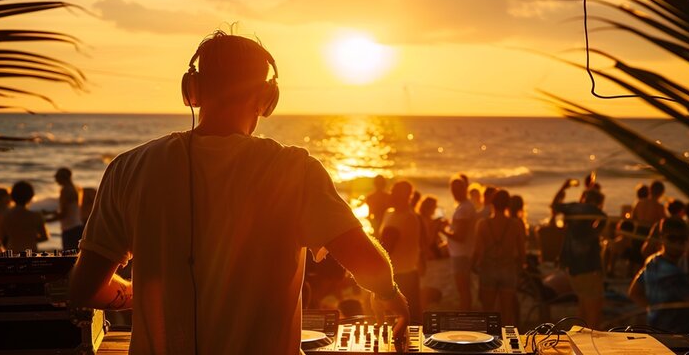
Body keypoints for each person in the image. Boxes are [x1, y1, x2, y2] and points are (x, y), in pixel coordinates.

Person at [68, 32, 409, 355]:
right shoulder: (295, 169)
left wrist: (130, 293)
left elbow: (85, 288)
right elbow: (368, 265)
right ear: (266, 99)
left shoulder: (129, 168)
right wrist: (389, 294)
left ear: (193, 91)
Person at [552, 179, 607, 328]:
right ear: (597, 202)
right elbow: (603, 218)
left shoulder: (573, 208)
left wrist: (564, 186)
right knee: (593, 313)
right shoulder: (594, 210)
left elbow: (555, 205)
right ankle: (590, 346)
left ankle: (579, 342)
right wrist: (596, 232)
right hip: (589, 267)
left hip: (572, 267)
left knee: (583, 307)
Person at [628, 218, 689, 334]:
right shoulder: (673, 273)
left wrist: (652, 310)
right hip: (678, 336)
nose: (677, 243)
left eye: (682, 239)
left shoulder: (652, 262)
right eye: (672, 238)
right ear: (662, 238)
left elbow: (634, 293)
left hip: (656, 331)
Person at [472, 193, 526, 325]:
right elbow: (521, 252)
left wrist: (473, 265)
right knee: (506, 314)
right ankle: (504, 341)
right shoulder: (515, 225)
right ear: (508, 205)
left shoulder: (483, 224)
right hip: (508, 269)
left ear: (492, 204)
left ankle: (489, 341)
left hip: (488, 269)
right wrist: (519, 269)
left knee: (488, 312)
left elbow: (478, 250)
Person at [380, 180, 423, 324]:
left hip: (403, 276)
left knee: (407, 321)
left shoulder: (408, 217)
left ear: (404, 196)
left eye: (394, 192)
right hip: (394, 273)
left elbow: (386, 247)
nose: (390, 194)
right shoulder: (389, 213)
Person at [445, 175, 477, 311]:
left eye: (455, 189)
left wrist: (441, 230)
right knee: (464, 289)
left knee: (463, 290)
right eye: (452, 190)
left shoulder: (464, 209)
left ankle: (464, 318)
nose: (453, 193)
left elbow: (460, 236)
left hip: (460, 254)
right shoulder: (466, 206)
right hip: (463, 253)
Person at [0, 181, 50, 252]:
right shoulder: (35, 216)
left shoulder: (5, 215)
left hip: (12, 252)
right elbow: (45, 237)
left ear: (13, 196)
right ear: (30, 196)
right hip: (30, 252)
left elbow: (1, 237)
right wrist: (31, 238)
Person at [46, 167, 84, 250]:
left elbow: (63, 214)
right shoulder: (75, 189)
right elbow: (70, 210)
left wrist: (45, 221)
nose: (55, 180)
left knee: (68, 257)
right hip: (77, 227)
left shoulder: (65, 190)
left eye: (56, 177)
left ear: (62, 177)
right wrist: (50, 213)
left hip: (70, 229)